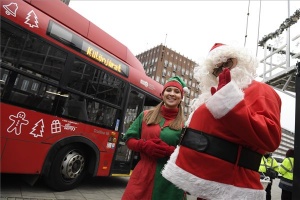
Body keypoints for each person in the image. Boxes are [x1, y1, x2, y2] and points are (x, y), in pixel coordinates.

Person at [162, 43, 282, 200]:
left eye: (227, 63)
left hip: (234, 189)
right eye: (216, 69)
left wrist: (229, 101)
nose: (222, 71)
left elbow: (270, 137)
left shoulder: (261, 91)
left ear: (240, 61)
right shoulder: (210, 95)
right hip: (204, 187)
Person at [121, 76, 189, 200]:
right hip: (143, 176)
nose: (172, 94)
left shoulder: (185, 125)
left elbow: (188, 155)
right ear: (162, 94)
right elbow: (129, 140)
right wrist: (144, 145)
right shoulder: (145, 115)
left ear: (181, 97)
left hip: (169, 183)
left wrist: (170, 151)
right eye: (168, 90)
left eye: (176, 91)